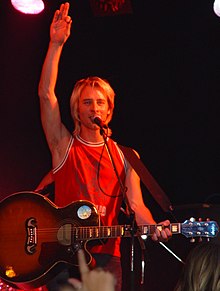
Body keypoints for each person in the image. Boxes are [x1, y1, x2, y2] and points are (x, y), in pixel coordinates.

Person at [38, 2, 172, 291]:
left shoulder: (126, 156)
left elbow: (136, 205)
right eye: (87, 102)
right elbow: (46, 96)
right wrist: (55, 45)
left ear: (109, 110)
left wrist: (154, 228)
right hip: (65, 258)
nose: (94, 107)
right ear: (76, 109)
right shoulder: (64, 146)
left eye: (100, 102)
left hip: (107, 259)